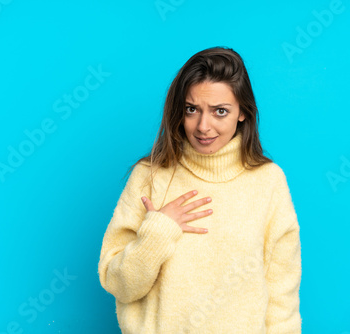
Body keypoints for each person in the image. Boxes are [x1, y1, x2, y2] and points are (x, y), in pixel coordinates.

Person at [98, 46, 302, 333]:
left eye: (220, 111)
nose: (203, 126)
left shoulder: (268, 182)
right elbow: (119, 285)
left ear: (243, 112)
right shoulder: (151, 176)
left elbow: (282, 292)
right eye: (192, 109)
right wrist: (158, 232)